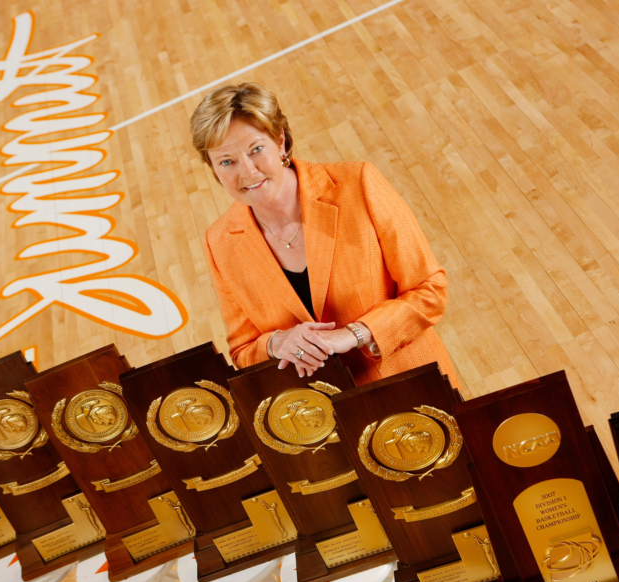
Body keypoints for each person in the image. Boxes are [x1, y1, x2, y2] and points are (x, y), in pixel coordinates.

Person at [192, 82, 457, 387]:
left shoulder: (359, 183)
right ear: (212, 168)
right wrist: (275, 344)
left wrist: (354, 335)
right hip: (320, 417)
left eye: (256, 149)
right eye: (227, 161)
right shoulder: (219, 242)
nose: (248, 172)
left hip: (412, 384)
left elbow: (430, 291)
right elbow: (242, 350)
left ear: (280, 142)